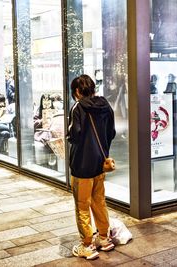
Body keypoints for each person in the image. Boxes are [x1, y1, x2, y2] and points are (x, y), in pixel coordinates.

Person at [67, 74, 116, 260]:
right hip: (99, 165)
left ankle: (87, 245)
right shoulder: (105, 105)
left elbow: (75, 134)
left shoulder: (78, 107)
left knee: (82, 205)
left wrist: (69, 138)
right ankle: (104, 238)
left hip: (81, 165)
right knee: (99, 200)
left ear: (78, 91)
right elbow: (111, 132)